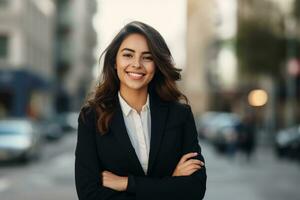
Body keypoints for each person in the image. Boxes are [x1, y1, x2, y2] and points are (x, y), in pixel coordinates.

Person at [75, 21, 207, 200]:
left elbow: (194, 190)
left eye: (147, 57)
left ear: (157, 64)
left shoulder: (180, 115)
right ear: (115, 61)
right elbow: (89, 194)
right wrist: (170, 182)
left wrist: (127, 183)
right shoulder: (91, 117)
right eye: (128, 55)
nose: (137, 64)